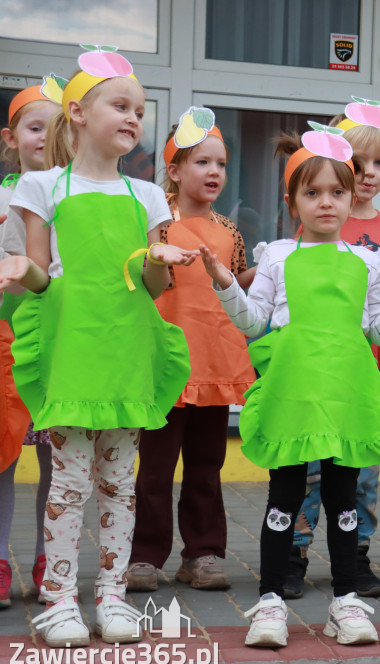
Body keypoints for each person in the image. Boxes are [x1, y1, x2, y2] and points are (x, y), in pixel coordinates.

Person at [0, 46, 195, 647]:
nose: (134, 117)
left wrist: (161, 261)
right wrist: (16, 268)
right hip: (73, 355)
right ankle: (58, 600)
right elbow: (41, 275)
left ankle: (110, 597)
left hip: (128, 352)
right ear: (79, 112)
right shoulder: (40, 186)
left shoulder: (150, 199)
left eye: (139, 109)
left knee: (119, 483)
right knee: (66, 483)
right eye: (121, 105)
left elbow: (156, 288)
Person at [204, 123, 380, 648]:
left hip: (346, 397)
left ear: (351, 198)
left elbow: (376, 332)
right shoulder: (277, 256)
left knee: (344, 500)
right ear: (292, 202)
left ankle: (345, 600)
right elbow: (255, 324)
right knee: (283, 499)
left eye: (337, 192)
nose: (326, 203)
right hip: (293, 396)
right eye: (312, 193)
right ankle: (270, 602)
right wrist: (225, 283)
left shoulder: (369, 261)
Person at [126, 107, 255, 593]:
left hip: (215, 365)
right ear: (174, 171)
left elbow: (236, 284)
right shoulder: (156, 225)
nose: (215, 172)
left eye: (221, 163)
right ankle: (144, 557)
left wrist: (264, 271)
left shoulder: (230, 231)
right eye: (202, 162)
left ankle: (202, 554)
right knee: (154, 470)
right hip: (166, 368)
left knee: (206, 467)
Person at [285, 99, 380, 599]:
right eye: (359, 164)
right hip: (319, 369)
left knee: (362, 473)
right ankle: (293, 553)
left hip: (373, 366)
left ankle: (356, 556)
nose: (370, 174)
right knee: (312, 468)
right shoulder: (316, 222)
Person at [0, 76, 63, 607]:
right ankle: (0, 558)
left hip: (57, 344)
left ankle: (51, 559)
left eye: (55, 127)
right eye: (34, 127)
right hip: (4, 342)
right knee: (0, 458)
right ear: (11, 136)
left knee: (56, 460)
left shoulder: (72, 196)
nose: (44, 137)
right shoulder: (0, 197)